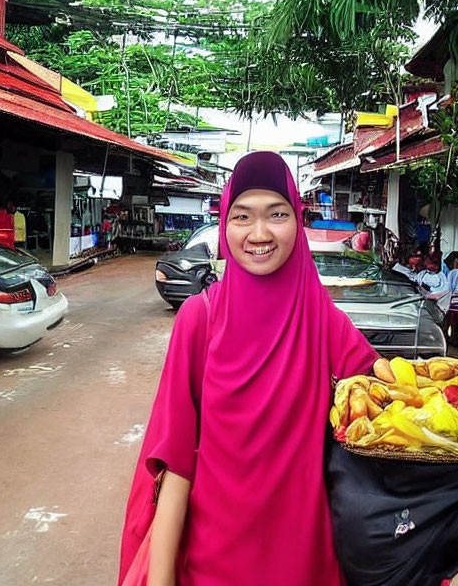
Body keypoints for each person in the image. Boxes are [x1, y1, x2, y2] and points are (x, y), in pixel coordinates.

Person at [118, 152, 394, 586]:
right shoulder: (199, 320)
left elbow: (392, 397)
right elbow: (177, 461)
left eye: (277, 214)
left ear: (297, 223)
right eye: (243, 216)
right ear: (225, 225)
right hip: (211, 564)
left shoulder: (322, 320)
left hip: (308, 564)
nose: (260, 233)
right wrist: (161, 578)